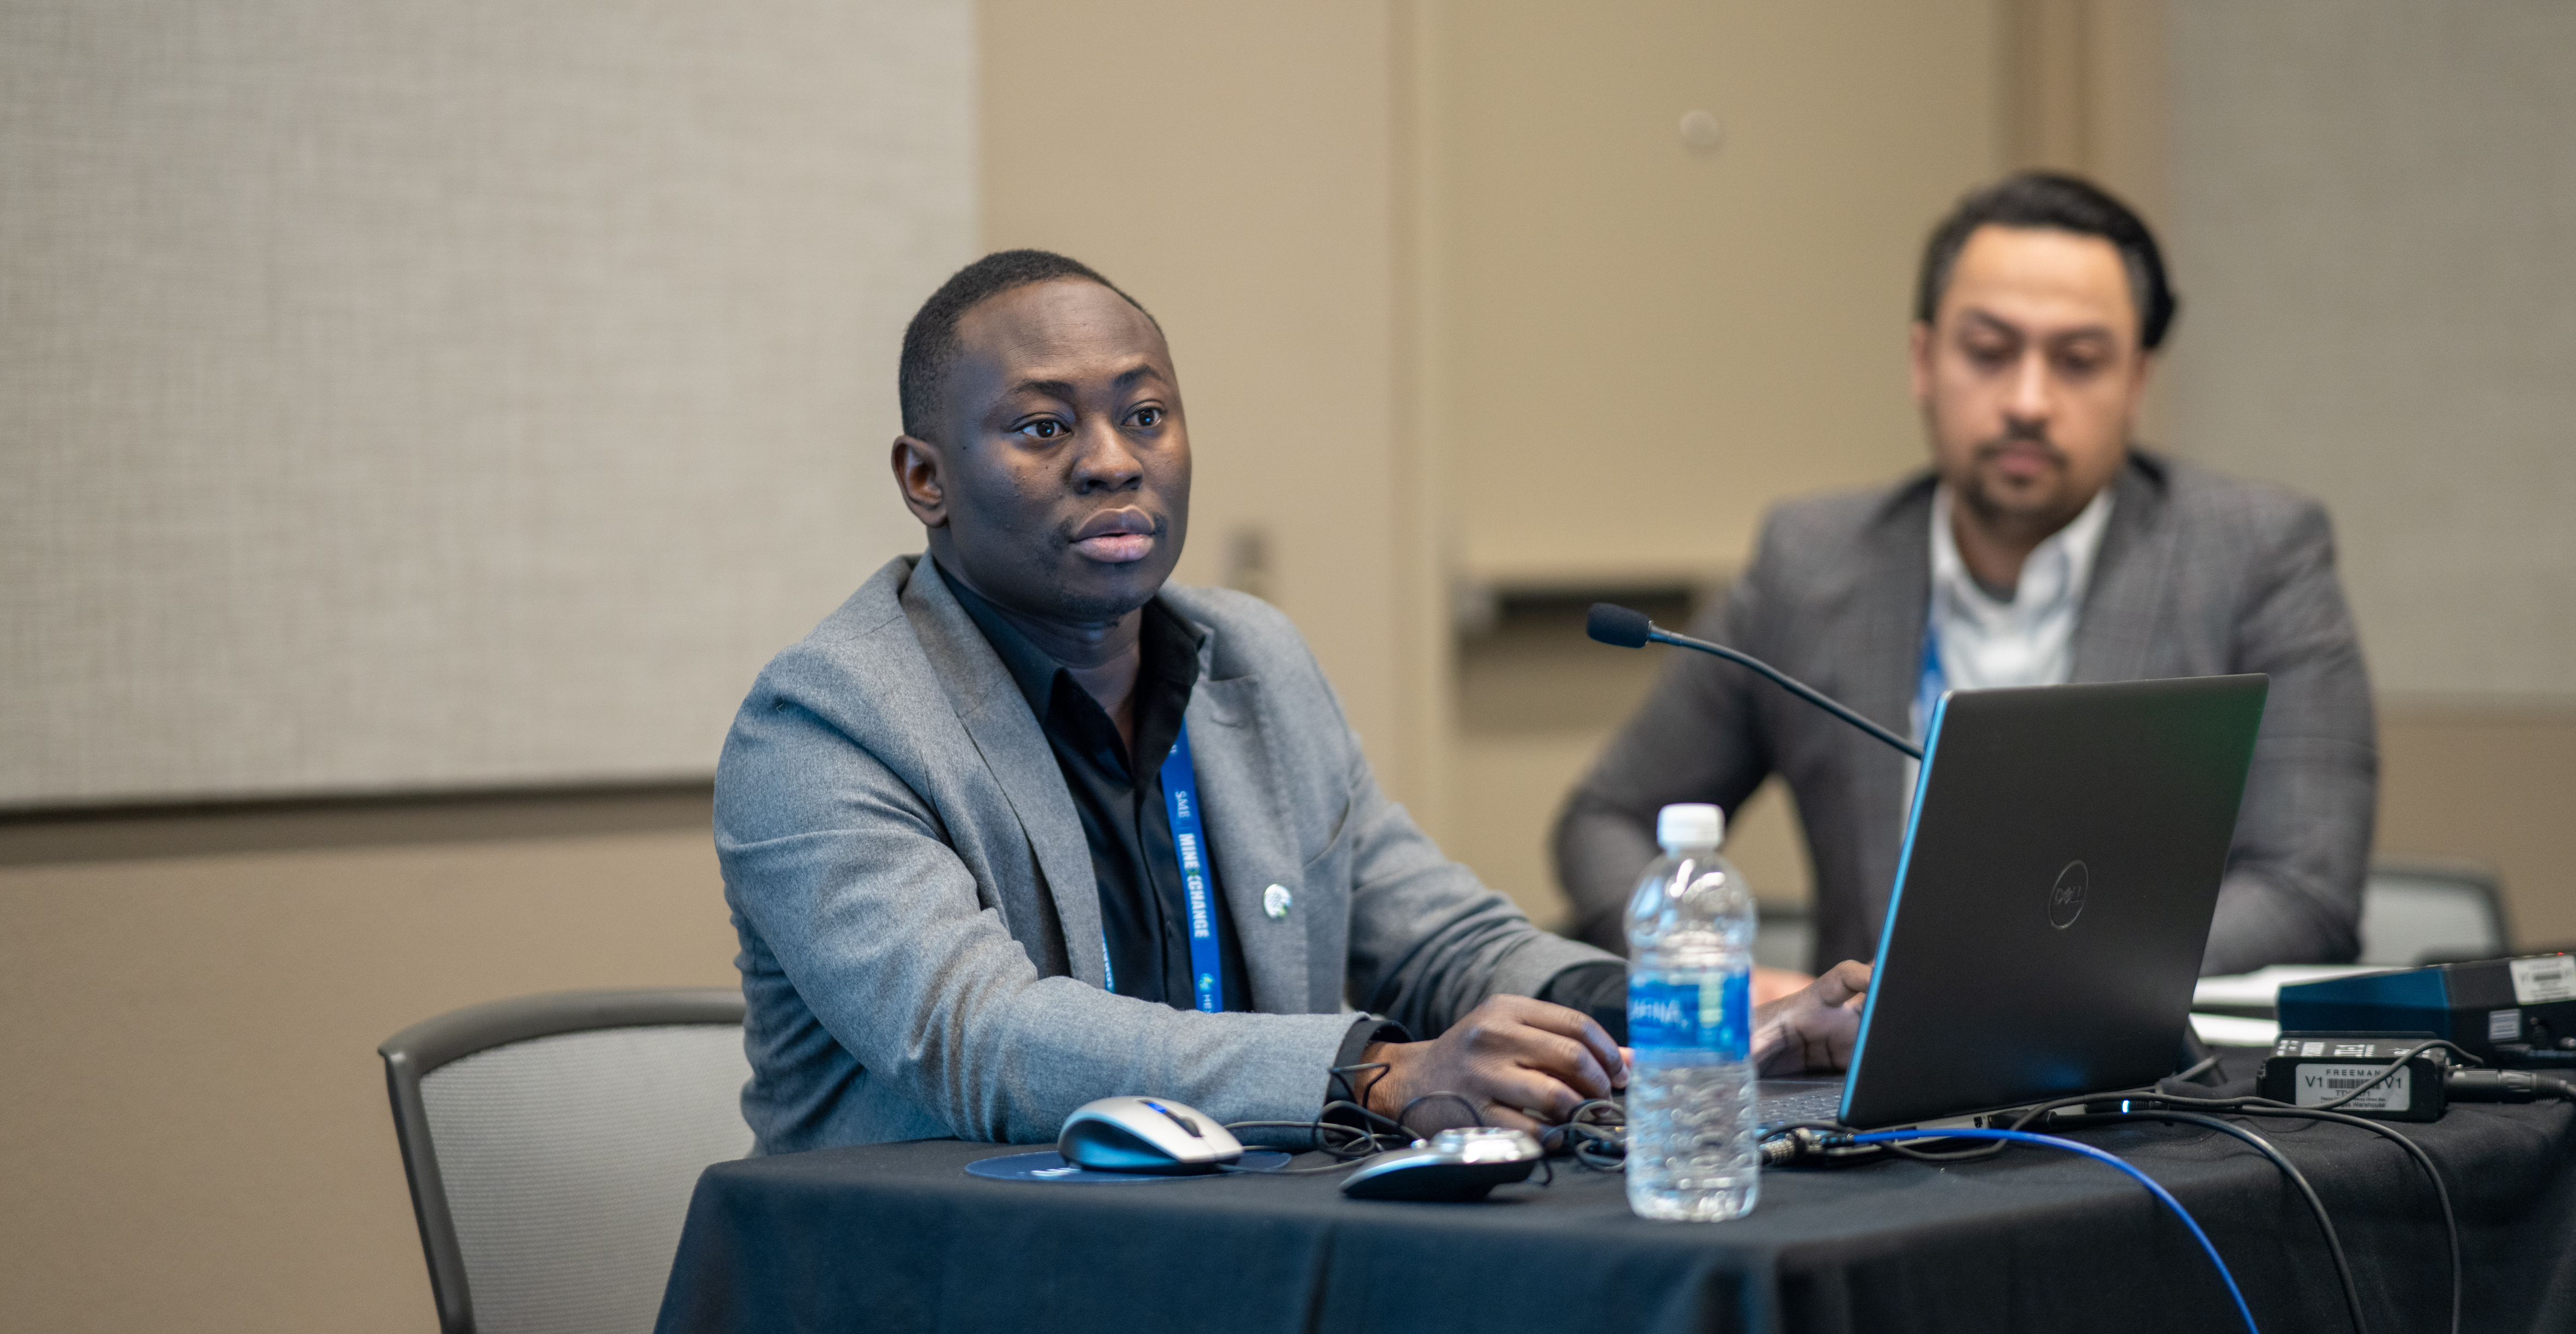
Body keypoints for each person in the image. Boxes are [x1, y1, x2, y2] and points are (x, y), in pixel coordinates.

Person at [719, 250, 1871, 1152]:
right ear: (925, 479)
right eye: (1042, 426)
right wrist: (1376, 1073)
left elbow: (1442, 942)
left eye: (1145, 414)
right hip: (945, 1299)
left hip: (1235, 1251)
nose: (1113, 460)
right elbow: (983, 1038)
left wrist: (1691, 1019)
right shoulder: (831, 719)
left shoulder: (1252, 662)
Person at [1554, 172, 2376, 980]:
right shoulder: (1810, 560)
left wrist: (2059, 979)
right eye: (1988, 351)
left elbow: (2305, 887)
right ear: (1923, 360)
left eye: (2079, 361)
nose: (2027, 399)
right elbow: (1606, 820)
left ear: (2137, 382)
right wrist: (1719, 972)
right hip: (1860, 1101)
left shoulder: (2257, 556)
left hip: (2139, 1090)